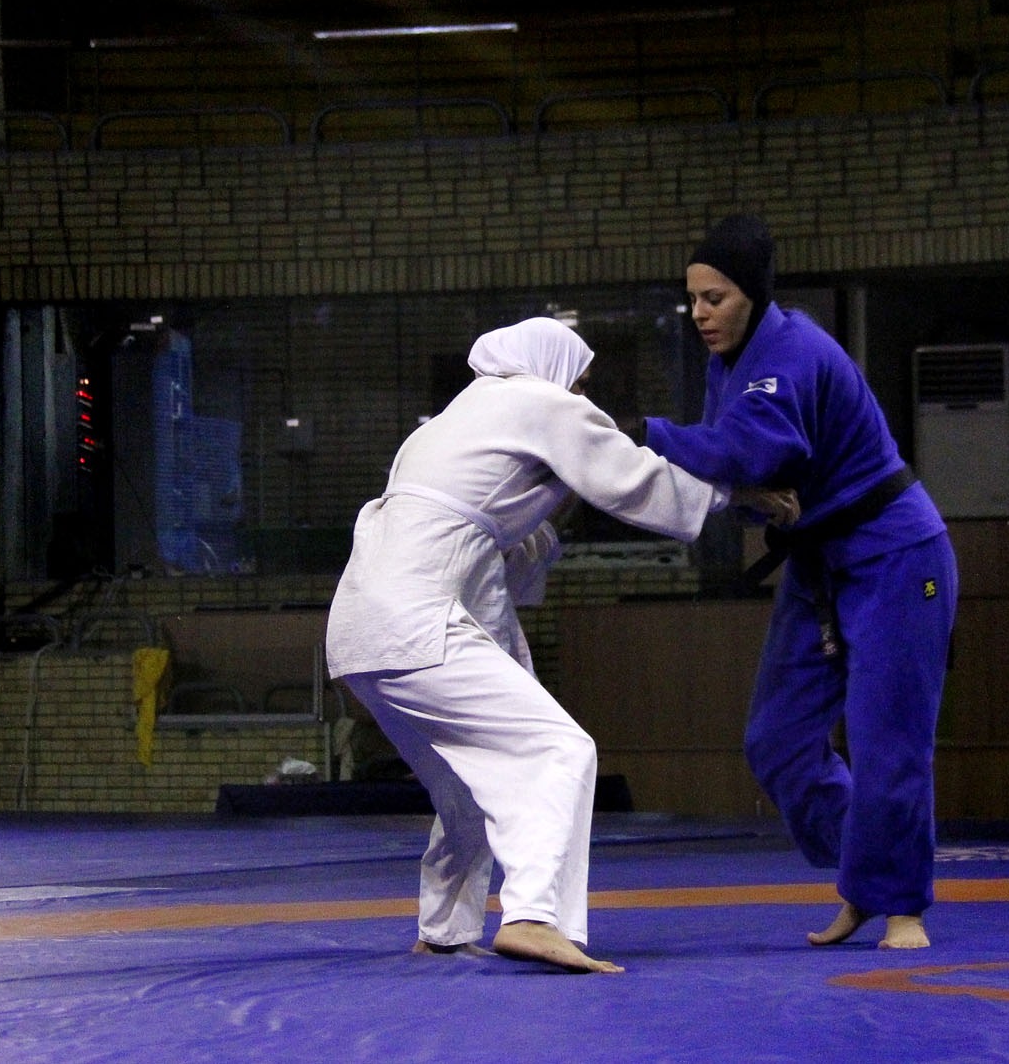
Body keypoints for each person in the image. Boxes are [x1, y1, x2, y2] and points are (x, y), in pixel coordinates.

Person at [326, 317, 797, 974]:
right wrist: (734, 495)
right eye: (579, 379)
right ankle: (533, 917)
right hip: (414, 620)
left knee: (467, 781)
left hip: (360, 629)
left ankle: (443, 931)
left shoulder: (448, 427)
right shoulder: (537, 399)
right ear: (549, 366)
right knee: (558, 749)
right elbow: (631, 477)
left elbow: (496, 550)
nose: (581, 393)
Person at [635, 215, 958, 949]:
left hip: (897, 557)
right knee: (777, 740)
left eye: (715, 298)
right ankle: (866, 874)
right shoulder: (729, 362)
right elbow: (747, 472)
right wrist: (751, 492)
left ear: (752, 294)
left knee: (887, 740)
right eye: (693, 299)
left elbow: (746, 451)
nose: (700, 314)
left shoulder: (791, 351)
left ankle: (901, 906)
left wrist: (646, 433)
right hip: (820, 563)